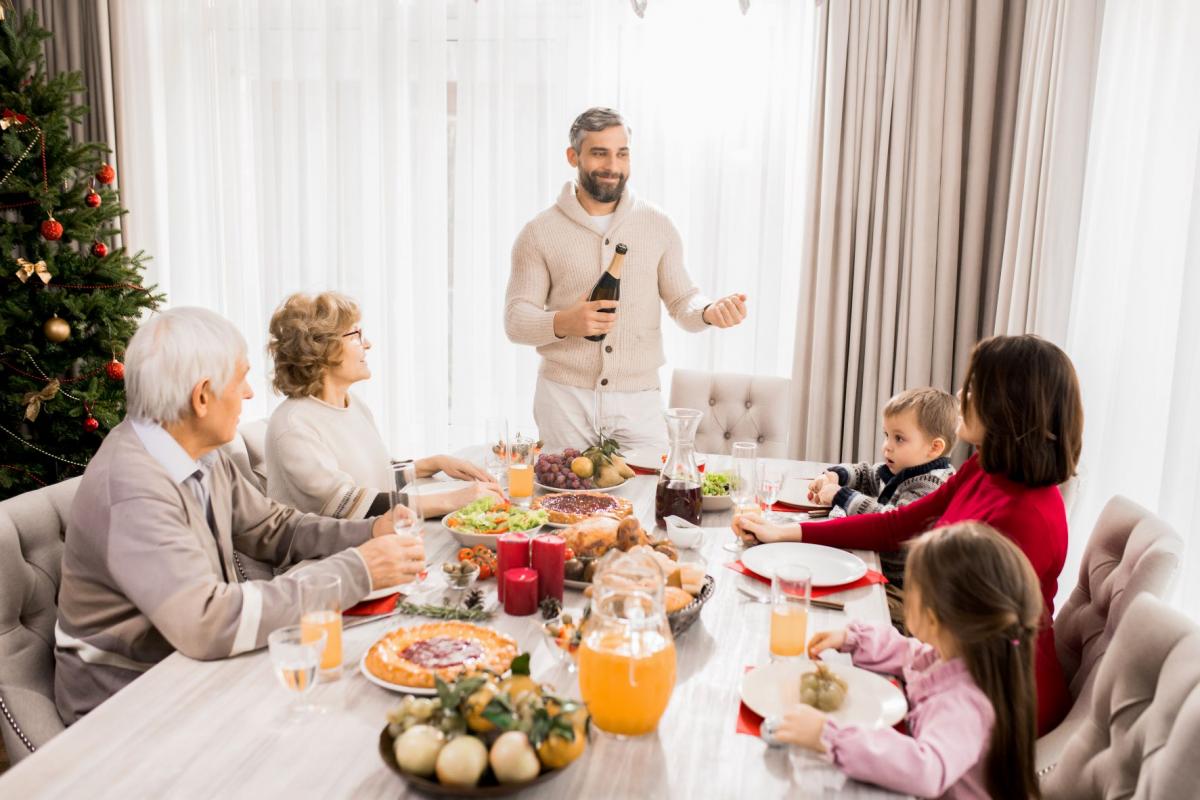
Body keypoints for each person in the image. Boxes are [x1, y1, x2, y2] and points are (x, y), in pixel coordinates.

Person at [54, 308, 424, 724]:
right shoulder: (133, 488)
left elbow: (272, 528)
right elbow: (207, 622)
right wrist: (359, 570)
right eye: (241, 379)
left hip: (188, 669)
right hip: (126, 705)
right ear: (202, 397)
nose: (249, 394)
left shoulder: (197, 451)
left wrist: (370, 530)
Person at [734, 334, 1083, 735]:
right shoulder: (985, 468)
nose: (960, 393)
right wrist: (789, 532)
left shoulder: (1027, 517)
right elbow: (897, 524)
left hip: (998, 702)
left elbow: (984, 642)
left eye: (974, 386)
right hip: (953, 662)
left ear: (1008, 405)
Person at [505, 106, 749, 454]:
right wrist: (563, 322)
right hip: (564, 401)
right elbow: (515, 320)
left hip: (639, 403)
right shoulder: (538, 232)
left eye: (622, 153)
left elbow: (683, 302)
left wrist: (710, 310)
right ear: (573, 156)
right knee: (565, 504)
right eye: (599, 153)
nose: (612, 166)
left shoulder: (658, 225)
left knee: (650, 500)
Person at [762, 522, 1043, 800]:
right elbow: (911, 654)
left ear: (932, 618)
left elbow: (925, 770)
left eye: (911, 590)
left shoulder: (965, 704)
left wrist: (829, 736)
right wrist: (854, 638)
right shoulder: (959, 658)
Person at [265, 292, 502, 520]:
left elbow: (376, 476)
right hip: (328, 555)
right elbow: (345, 504)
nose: (367, 343)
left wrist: (436, 463)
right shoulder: (294, 424)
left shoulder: (353, 404)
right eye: (355, 334)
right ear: (321, 347)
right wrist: (453, 499)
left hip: (371, 536)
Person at [807, 386, 957, 626]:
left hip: (908, 594)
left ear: (934, 447)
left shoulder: (931, 485)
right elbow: (868, 473)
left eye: (899, 438)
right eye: (886, 435)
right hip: (881, 572)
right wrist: (837, 476)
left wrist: (842, 496)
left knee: (845, 604)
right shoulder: (903, 468)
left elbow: (889, 520)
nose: (887, 446)